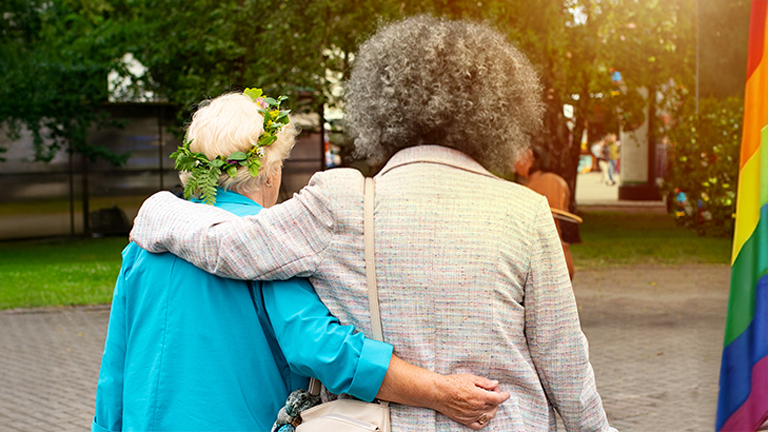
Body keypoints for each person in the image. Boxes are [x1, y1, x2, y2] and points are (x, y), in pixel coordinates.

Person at [130, 16, 617, 431]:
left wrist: (158, 209)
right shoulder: (526, 210)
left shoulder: (339, 200)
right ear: (500, 114)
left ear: (379, 107)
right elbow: (564, 361)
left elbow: (227, 248)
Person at [92, 91, 508, 432]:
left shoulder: (143, 247)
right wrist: (439, 391)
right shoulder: (269, 245)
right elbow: (326, 351)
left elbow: (114, 373)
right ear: (270, 173)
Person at [514, 146, 575, 279]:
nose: (515, 164)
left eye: (521, 158)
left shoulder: (548, 182)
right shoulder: (550, 180)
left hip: (545, 252)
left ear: (532, 160)